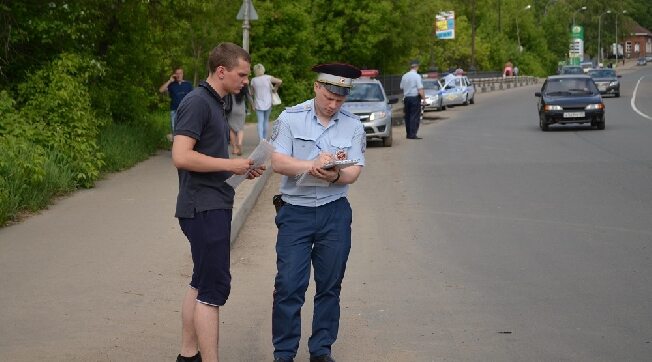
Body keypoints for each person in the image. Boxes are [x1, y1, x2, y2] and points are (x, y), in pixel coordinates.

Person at [171, 42, 266, 362]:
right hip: (203, 207)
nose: (245, 81)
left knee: (201, 280)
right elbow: (181, 156)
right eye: (241, 74)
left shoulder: (215, 102)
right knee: (213, 288)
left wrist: (243, 170)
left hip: (210, 203)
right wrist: (231, 165)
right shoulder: (197, 102)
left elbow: (208, 157)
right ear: (222, 71)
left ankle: (187, 356)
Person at [269, 63, 366, 362]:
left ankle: (321, 350)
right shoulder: (290, 118)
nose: (334, 105)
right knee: (288, 285)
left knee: (330, 284)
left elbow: (354, 171)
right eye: (329, 97)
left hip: (333, 212)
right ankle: (284, 353)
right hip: (295, 212)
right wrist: (309, 166)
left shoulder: (353, 125)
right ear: (316, 87)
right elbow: (278, 162)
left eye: (340, 100)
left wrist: (335, 176)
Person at [250, 63, 282, 141]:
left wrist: (252, 104)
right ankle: (265, 139)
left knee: (260, 121)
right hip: (268, 102)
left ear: (255, 71)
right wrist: (275, 89)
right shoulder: (268, 78)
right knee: (266, 121)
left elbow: (251, 93)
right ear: (263, 69)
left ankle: (261, 140)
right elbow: (279, 81)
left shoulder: (253, 80)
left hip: (258, 103)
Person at [160, 67, 194, 134]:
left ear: (183, 74)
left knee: (185, 130)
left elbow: (192, 97)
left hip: (185, 110)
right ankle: (175, 143)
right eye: (177, 73)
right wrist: (169, 80)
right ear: (175, 75)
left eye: (180, 73)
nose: (178, 75)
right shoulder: (172, 85)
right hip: (174, 110)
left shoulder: (188, 84)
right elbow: (161, 90)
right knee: (175, 130)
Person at [400, 60, 425, 139]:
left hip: (407, 98)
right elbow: (420, 89)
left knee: (407, 116)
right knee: (414, 116)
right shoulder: (417, 76)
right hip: (415, 98)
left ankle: (408, 134)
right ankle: (413, 134)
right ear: (417, 67)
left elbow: (401, 87)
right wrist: (424, 99)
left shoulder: (404, 76)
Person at [227, 85, 253, 156]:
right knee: (240, 128)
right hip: (241, 110)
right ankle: (240, 143)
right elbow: (249, 97)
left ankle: (235, 149)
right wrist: (253, 106)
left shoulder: (231, 84)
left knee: (231, 129)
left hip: (231, 109)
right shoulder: (243, 86)